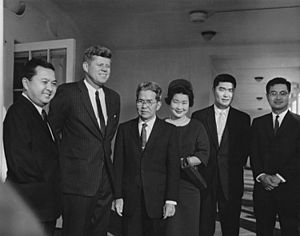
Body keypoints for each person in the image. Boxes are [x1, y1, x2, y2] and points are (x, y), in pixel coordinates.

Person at [49, 46, 120, 236]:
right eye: (100, 65)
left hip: (105, 183)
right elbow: (52, 133)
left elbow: (106, 139)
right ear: (86, 66)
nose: (105, 69)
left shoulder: (114, 98)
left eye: (108, 66)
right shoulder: (68, 92)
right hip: (76, 183)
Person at [113, 81, 180, 236]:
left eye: (149, 102)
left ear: (158, 105)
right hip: (130, 201)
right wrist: (118, 196)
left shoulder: (169, 131)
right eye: (140, 101)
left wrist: (171, 200)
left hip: (157, 201)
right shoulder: (124, 129)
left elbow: (173, 168)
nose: (144, 106)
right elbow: (118, 165)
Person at [3, 58, 61, 235]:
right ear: (26, 83)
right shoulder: (18, 113)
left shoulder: (42, 114)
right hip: (29, 209)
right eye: (44, 82)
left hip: (42, 208)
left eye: (53, 83)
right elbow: (20, 165)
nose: (50, 88)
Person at [192, 73, 250, 236]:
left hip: (231, 180)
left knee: (231, 226)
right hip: (204, 178)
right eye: (222, 89)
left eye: (230, 90)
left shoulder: (243, 119)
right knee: (204, 226)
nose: (226, 94)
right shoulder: (199, 116)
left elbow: (244, 149)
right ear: (214, 90)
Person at [250, 77, 300, 236]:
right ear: (267, 96)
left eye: (282, 93)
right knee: (263, 230)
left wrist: (280, 176)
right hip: (263, 189)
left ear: (290, 96)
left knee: (291, 230)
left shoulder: (298, 123)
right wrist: (261, 176)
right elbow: (254, 153)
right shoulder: (258, 123)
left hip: (291, 189)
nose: (278, 97)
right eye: (273, 93)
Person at [164, 79, 210, 236]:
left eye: (184, 102)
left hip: (189, 185)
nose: (180, 107)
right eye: (176, 102)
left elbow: (204, 154)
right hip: (164, 186)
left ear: (190, 104)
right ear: (169, 102)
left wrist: (183, 162)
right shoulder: (161, 126)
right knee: (167, 229)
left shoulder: (197, 126)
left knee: (188, 228)